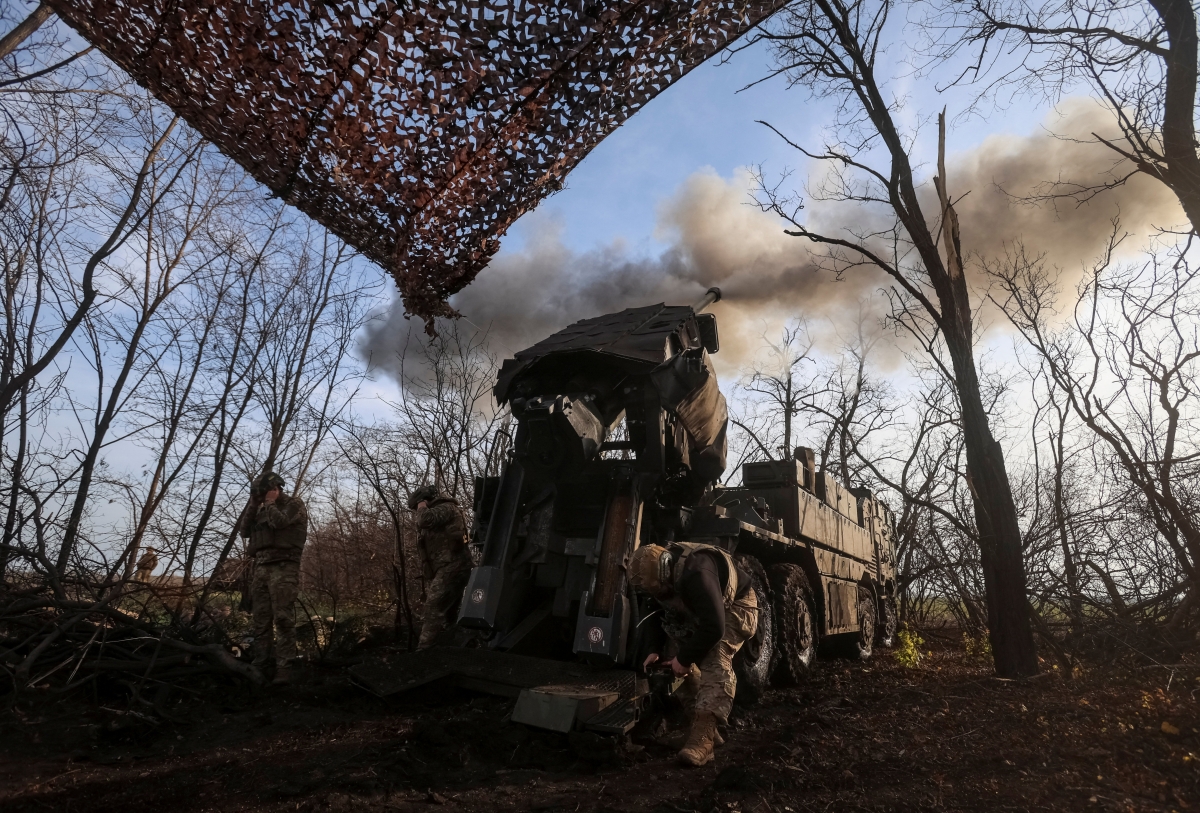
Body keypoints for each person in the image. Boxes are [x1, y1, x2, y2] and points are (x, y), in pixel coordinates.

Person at [627, 542, 759, 767]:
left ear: (666, 570)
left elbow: (714, 627)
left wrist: (685, 658)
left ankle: (703, 740)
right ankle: (701, 727)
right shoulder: (657, 579)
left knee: (716, 658)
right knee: (673, 663)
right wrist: (654, 650)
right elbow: (656, 611)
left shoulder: (697, 573)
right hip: (704, 608)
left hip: (737, 605)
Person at [237, 471, 307, 684]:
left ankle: (284, 667)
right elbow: (244, 531)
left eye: (265, 491)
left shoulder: (294, 504)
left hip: (284, 566)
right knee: (261, 618)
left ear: (276, 488)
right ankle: (261, 662)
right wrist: (253, 504)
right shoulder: (259, 508)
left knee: (283, 618)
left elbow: (280, 523)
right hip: (261, 567)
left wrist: (270, 503)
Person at [409, 485, 472, 650]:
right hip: (447, 567)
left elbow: (424, 520)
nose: (418, 511)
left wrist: (421, 504)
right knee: (450, 612)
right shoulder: (437, 514)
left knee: (433, 606)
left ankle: (424, 649)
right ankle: (458, 644)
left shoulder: (446, 508)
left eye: (418, 506)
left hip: (455, 565)